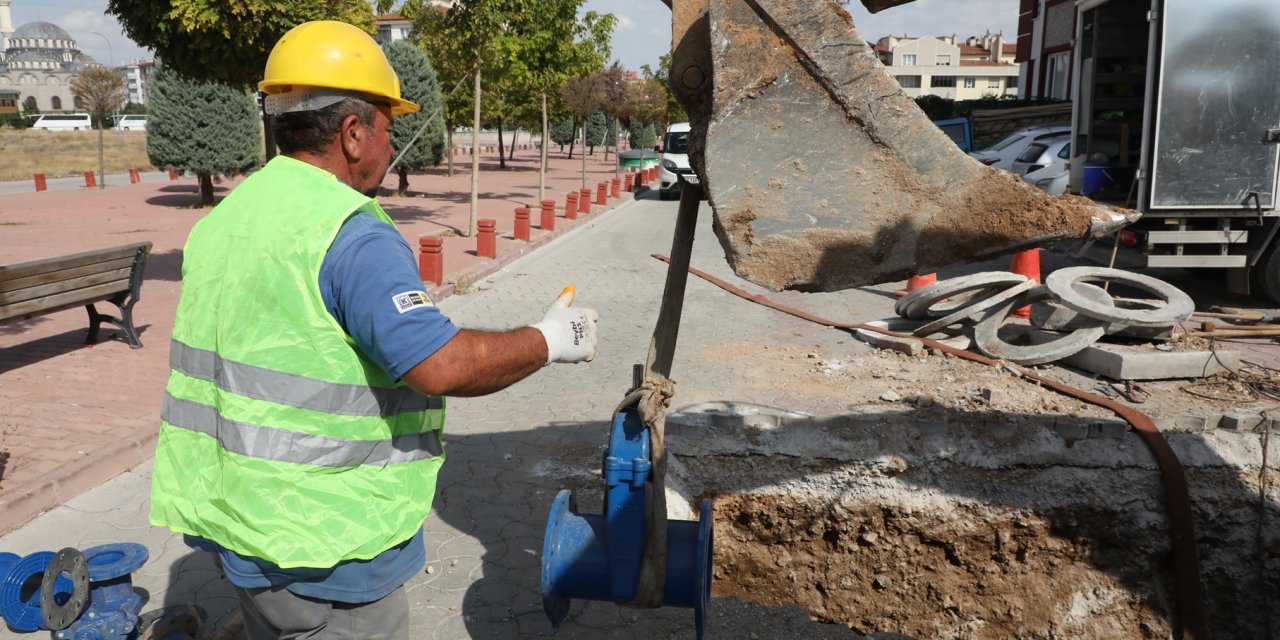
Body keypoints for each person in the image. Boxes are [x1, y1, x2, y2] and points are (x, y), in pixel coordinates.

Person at [148, 20, 599, 639]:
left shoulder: (231, 216)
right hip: (328, 545)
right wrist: (549, 339)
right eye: (388, 129)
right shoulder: (350, 231)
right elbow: (438, 363)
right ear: (354, 134)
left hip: (238, 523)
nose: (392, 147)